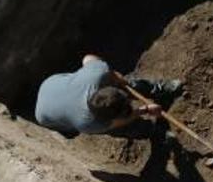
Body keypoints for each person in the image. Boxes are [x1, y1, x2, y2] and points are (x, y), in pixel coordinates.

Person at [34, 54, 181, 135]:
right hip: (44, 116)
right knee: (124, 127)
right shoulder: (88, 124)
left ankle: (160, 89)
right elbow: (120, 122)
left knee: (129, 85)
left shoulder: (96, 73)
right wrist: (144, 111)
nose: (130, 104)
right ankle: (151, 132)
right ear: (101, 118)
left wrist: (118, 79)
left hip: (51, 83)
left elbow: (88, 58)